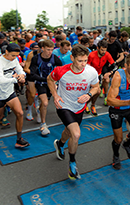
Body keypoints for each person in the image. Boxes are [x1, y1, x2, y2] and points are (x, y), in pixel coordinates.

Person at [48, 44, 99, 180]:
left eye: (85, 61)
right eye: (79, 61)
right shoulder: (61, 70)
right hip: (63, 106)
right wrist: (55, 95)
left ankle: (60, 144)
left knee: (69, 131)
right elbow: (50, 79)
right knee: (76, 134)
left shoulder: (91, 72)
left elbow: (96, 87)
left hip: (79, 108)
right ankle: (72, 163)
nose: (83, 64)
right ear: (72, 58)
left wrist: (88, 95)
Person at [0, 43, 30, 148]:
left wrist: (22, 76)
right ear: (6, 52)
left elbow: (21, 71)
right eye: (12, 55)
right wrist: (16, 79)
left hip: (9, 92)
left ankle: (19, 139)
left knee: (20, 113)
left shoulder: (14, 60)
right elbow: (0, 80)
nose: (14, 58)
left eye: (16, 56)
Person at [29, 39, 62, 135]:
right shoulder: (36, 58)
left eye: (52, 49)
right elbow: (32, 74)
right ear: (42, 48)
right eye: (48, 49)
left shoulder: (55, 58)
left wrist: (56, 81)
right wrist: (46, 80)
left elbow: (61, 70)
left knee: (48, 103)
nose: (50, 52)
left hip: (51, 84)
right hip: (41, 83)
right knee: (45, 103)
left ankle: (39, 109)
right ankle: (43, 125)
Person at [87, 40, 117, 113]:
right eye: (102, 50)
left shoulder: (107, 54)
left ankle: (92, 105)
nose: (104, 52)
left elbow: (115, 66)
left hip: (98, 75)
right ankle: (86, 104)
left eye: (105, 50)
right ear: (98, 48)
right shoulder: (91, 55)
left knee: (97, 92)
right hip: (89, 75)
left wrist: (109, 73)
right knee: (88, 91)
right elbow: (86, 67)